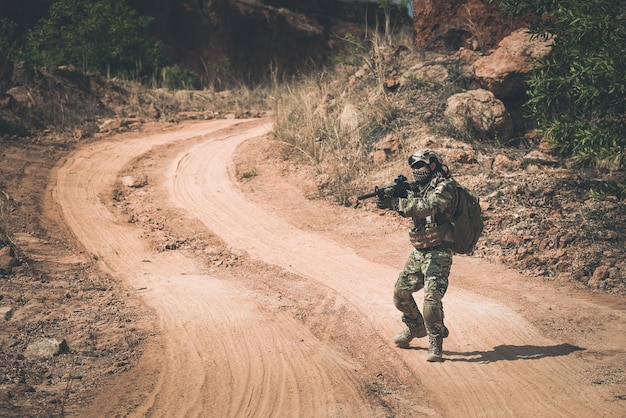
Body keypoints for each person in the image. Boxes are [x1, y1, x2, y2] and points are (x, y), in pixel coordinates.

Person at [377, 149, 457, 362]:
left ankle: (435, 342)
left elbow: (426, 207)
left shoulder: (445, 187)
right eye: (413, 167)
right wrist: (391, 196)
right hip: (420, 251)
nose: (416, 170)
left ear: (432, 166)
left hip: (439, 251)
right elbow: (412, 203)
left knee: (431, 300)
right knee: (400, 293)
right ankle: (416, 327)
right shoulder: (420, 188)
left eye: (420, 166)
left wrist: (396, 204)